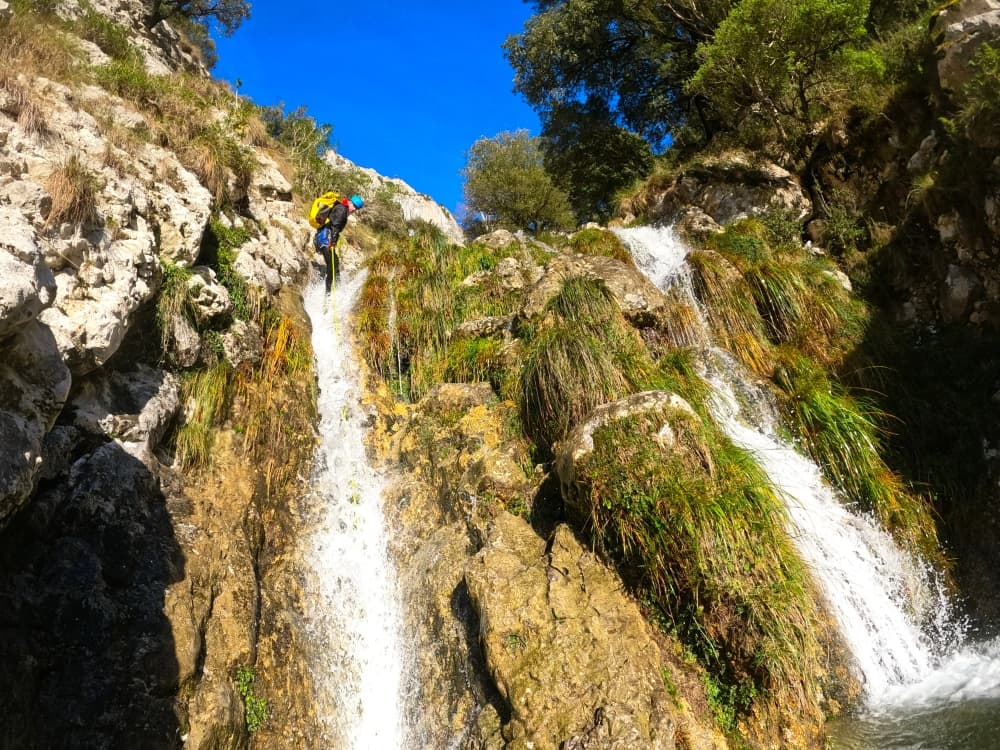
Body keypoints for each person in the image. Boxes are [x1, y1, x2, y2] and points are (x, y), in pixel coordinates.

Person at [314, 194, 364, 292]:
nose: (354, 209)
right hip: (325, 239)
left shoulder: (342, 209)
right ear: (349, 202)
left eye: (357, 208)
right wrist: (332, 243)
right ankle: (328, 293)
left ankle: (337, 286)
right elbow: (335, 227)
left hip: (324, 237)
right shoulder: (342, 210)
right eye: (354, 205)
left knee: (335, 262)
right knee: (332, 265)